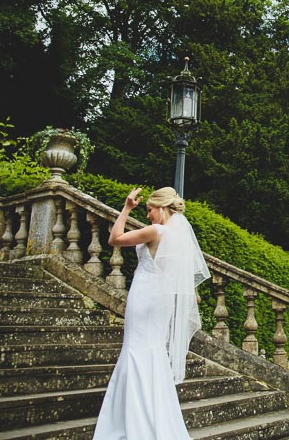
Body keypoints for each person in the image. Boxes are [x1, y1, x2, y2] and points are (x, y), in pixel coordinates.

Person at [93, 187, 210, 439]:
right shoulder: (177, 237)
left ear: (162, 207)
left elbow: (115, 239)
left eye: (149, 210)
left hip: (145, 295)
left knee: (135, 349)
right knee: (153, 351)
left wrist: (126, 208)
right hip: (160, 300)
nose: (147, 215)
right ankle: (155, 418)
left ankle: (130, 422)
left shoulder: (156, 231)